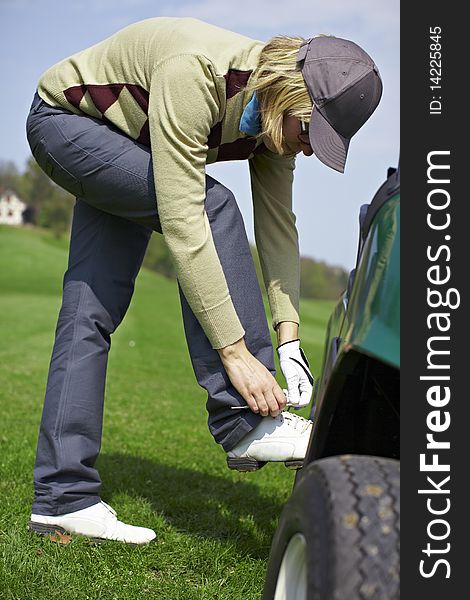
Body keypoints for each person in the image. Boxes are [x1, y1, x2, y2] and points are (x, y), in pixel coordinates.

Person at [25, 17, 382, 544]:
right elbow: (186, 222)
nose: (307, 148)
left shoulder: (274, 124)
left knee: (89, 314)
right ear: (288, 91)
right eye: (309, 132)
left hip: (129, 142)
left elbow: (279, 228)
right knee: (214, 206)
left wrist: (289, 341)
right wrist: (237, 355)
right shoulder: (196, 73)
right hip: (67, 125)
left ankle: (62, 498)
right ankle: (245, 421)